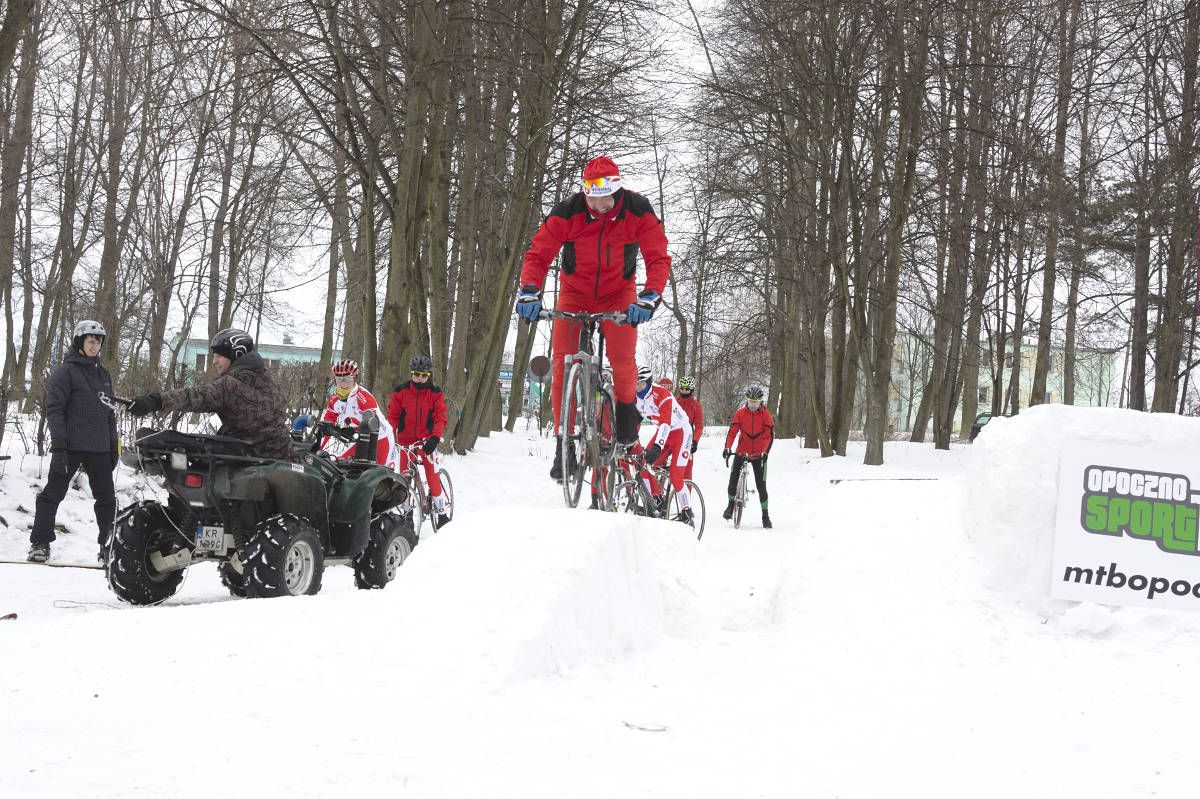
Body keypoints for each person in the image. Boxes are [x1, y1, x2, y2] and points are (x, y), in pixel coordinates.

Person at [514, 155, 672, 480]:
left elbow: (658, 257)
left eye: (606, 198)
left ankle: (626, 416)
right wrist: (529, 291)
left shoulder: (637, 210)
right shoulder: (567, 211)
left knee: (622, 358)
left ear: (617, 191)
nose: (599, 205)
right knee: (562, 363)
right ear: (584, 192)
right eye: (593, 198)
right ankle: (563, 444)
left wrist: (649, 297)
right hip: (575, 293)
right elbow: (538, 254)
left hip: (620, 294)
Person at [27, 321, 120, 563]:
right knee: (52, 495)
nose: (95, 346)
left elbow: (110, 413)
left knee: (107, 500)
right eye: (91, 341)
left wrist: (113, 445)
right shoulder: (65, 372)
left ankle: (108, 547)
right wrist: (59, 445)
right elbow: (55, 409)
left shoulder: (104, 375)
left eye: (98, 342)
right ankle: (40, 543)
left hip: (99, 447)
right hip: (70, 446)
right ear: (80, 342)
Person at [127, 328, 293, 461]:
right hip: (282, 457)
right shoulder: (273, 385)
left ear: (236, 354)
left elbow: (194, 396)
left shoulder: (230, 385)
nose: (214, 361)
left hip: (248, 460)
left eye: (219, 356)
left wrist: (155, 401)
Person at [386, 354, 450, 527]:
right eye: (416, 374)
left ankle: (442, 514)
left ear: (428, 375)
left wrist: (435, 437)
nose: (420, 378)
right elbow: (392, 417)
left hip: (427, 441)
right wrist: (390, 437)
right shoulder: (401, 391)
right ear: (411, 374)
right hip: (406, 442)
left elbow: (440, 417)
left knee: (432, 477)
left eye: (423, 375)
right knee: (404, 479)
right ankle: (407, 514)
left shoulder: (435, 393)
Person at [633, 365, 695, 526]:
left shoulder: (662, 394)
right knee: (643, 465)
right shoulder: (635, 397)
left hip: (681, 432)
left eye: (641, 383)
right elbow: (634, 422)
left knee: (676, 475)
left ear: (648, 382)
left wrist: (657, 446)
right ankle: (655, 500)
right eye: (636, 383)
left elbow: (665, 423)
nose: (637, 387)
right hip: (664, 432)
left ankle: (687, 512)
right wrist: (630, 440)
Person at [318, 359, 399, 470]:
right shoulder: (334, 401)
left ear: (355, 379)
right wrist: (320, 448)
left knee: (379, 474)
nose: (343, 384)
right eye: (339, 379)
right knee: (338, 468)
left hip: (381, 438)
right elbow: (327, 427)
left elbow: (371, 424)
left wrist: (352, 431)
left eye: (347, 379)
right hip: (362, 440)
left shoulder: (363, 397)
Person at [722, 386, 774, 529]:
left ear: (760, 402)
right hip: (742, 451)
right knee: (732, 481)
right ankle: (730, 505)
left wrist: (765, 452)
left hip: (759, 454)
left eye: (755, 402)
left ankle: (765, 515)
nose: (752, 405)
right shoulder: (740, 413)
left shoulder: (766, 415)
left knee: (761, 486)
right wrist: (727, 447)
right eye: (750, 401)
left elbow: (769, 437)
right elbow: (732, 432)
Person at [675, 376, 703, 481]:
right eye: (682, 388)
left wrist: (695, 441)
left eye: (687, 389)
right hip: (672, 436)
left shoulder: (696, 405)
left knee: (687, 471)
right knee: (658, 462)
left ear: (691, 390)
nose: (684, 391)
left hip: (687, 439)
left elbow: (699, 426)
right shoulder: (674, 401)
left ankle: (686, 490)